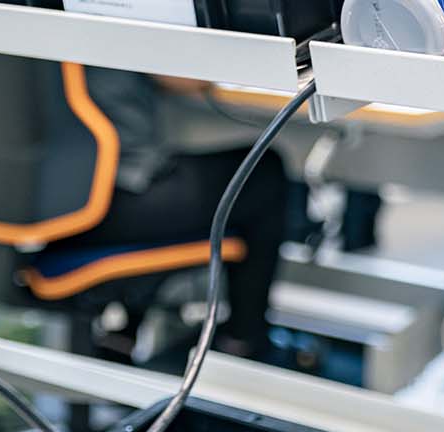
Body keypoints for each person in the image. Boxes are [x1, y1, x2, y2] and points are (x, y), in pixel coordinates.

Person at [77, 70, 291, 360]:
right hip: (107, 207)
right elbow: (189, 80)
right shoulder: (117, 25)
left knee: (176, 178)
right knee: (263, 173)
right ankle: (243, 340)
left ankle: (126, 330)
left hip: (39, 205)